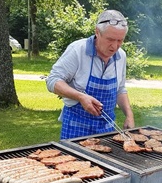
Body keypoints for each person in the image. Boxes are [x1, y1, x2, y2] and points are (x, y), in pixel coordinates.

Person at [46, 9, 135, 139]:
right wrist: (81, 97)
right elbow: (53, 80)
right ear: (97, 32)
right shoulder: (78, 50)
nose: (115, 46)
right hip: (76, 128)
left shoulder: (121, 56)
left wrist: (129, 115)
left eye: (120, 41)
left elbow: (120, 89)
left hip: (107, 129)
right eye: (110, 39)